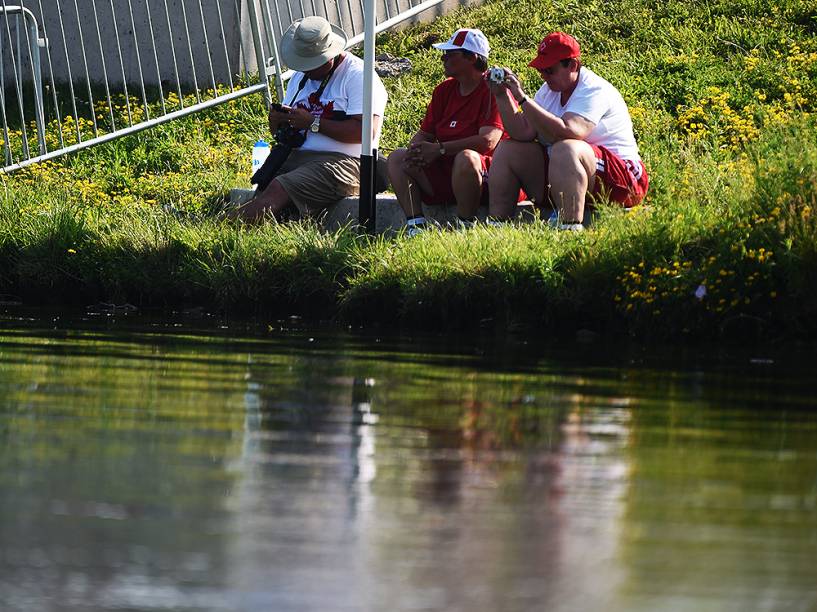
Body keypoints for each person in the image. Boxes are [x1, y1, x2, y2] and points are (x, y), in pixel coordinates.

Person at [486, 32, 648, 230]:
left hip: (626, 179)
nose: (544, 76)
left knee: (566, 148)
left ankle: (568, 229)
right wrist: (502, 96)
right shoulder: (548, 90)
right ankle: (497, 225)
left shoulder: (593, 89)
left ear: (573, 65)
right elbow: (523, 132)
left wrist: (522, 98)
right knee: (508, 149)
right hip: (576, 177)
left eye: (549, 70)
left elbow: (568, 132)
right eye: (541, 70)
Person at [232, 16, 388, 221]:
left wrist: (313, 123)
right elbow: (281, 133)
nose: (306, 69)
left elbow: (366, 132)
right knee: (262, 193)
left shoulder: (358, 75)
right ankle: (230, 229)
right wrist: (277, 120)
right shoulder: (301, 77)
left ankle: (218, 231)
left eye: (312, 64)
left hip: (345, 162)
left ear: (330, 55)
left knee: (279, 188)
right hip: (297, 157)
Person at [387, 28, 504, 236]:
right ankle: (417, 227)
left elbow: (488, 142)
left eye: (450, 54)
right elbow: (425, 134)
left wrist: (440, 149)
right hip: (444, 171)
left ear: (472, 58)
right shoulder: (444, 90)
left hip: (484, 178)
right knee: (398, 158)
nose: (444, 59)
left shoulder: (492, 89)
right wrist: (416, 149)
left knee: (466, 158)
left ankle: (465, 227)